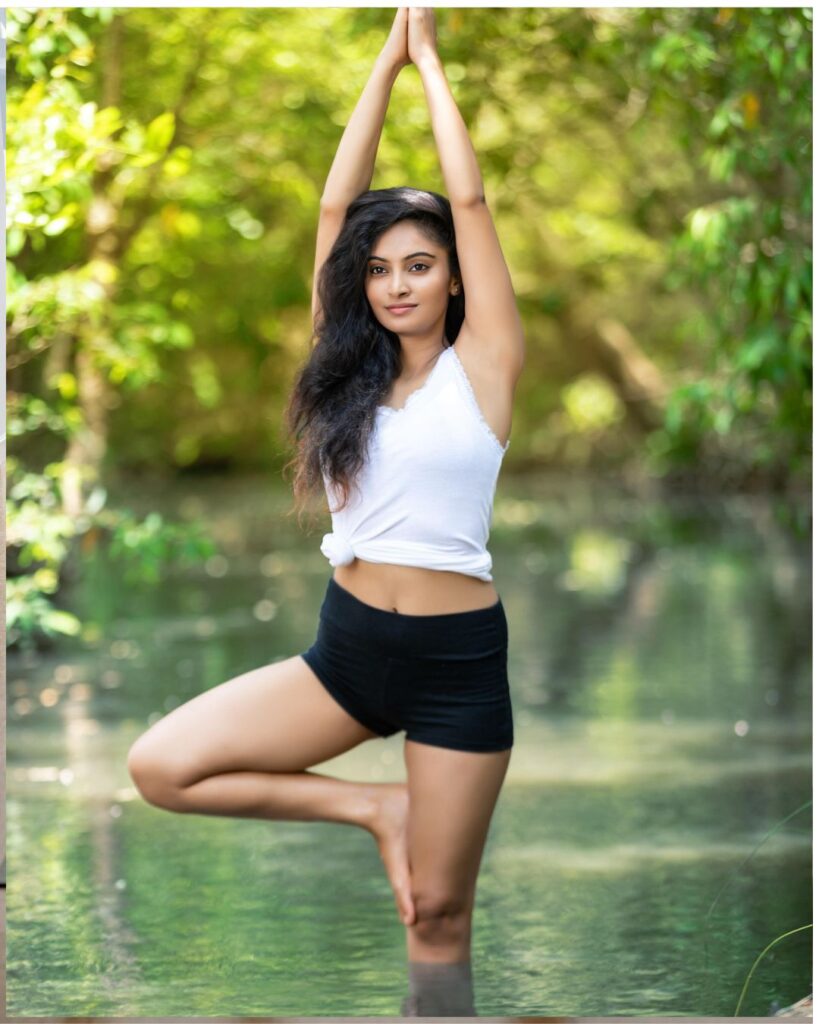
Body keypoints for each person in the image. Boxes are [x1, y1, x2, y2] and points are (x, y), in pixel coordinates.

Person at [126, 8, 525, 1016]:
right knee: (161, 766)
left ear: (453, 279)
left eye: (420, 264)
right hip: (345, 652)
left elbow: (469, 196)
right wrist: (379, 65)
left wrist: (427, 62)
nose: (397, 283)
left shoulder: (485, 370)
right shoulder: (344, 371)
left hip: (457, 665)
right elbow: (332, 203)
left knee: (437, 910)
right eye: (381, 267)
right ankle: (374, 809)